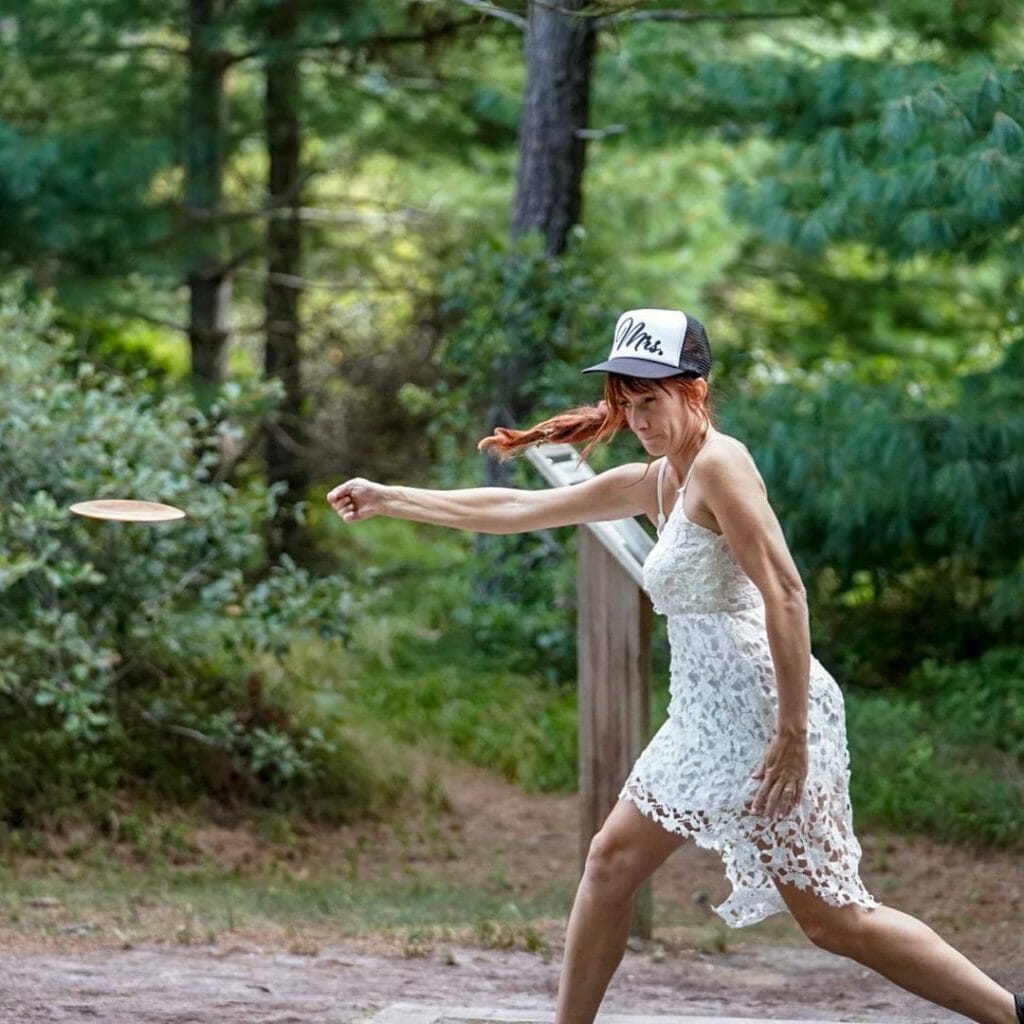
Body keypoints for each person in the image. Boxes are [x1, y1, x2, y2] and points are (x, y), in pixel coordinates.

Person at [327, 308, 1023, 1024]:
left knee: (834, 921)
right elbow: (519, 506)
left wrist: (792, 735)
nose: (639, 421)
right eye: (627, 406)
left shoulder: (723, 465)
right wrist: (391, 498)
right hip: (702, 714)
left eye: (651, 402)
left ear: (694, 391)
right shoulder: (658, 478)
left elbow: (786, 591)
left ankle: (1009, 1013)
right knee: (610, 863)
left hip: (764, 710)